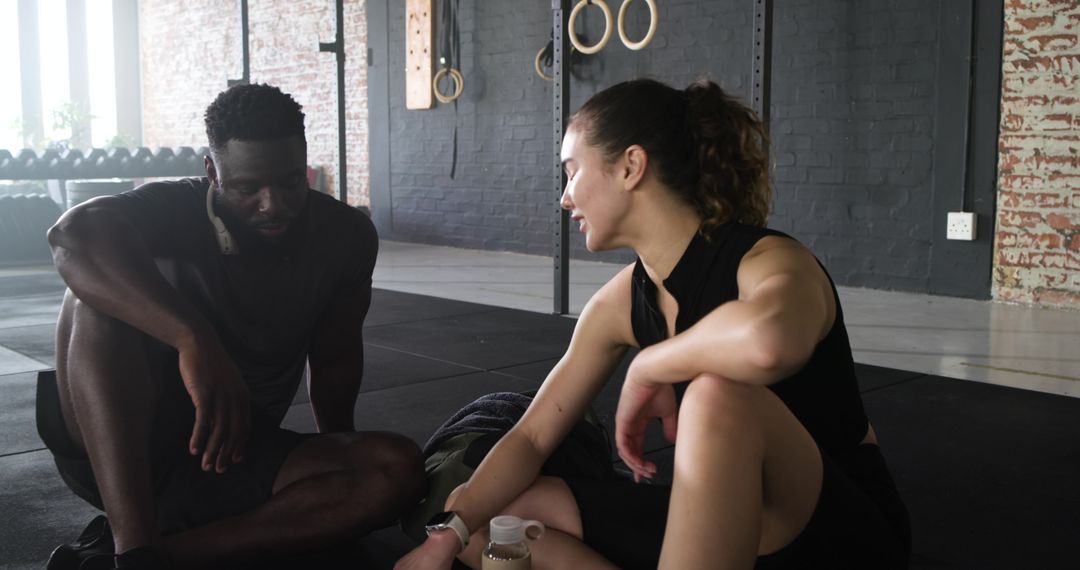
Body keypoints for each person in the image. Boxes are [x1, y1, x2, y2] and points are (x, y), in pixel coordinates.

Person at [395, 78, 910, 570]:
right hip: (733, 517)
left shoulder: (770, 261)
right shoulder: (623, 300)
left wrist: (648, 365)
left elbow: (769, 343)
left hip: (838, 534)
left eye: (572, 171)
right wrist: (450, 533)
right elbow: (531, 437)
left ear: (631, 166)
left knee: (716, 395)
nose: (564, 197)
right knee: (489, 522)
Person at [43, 83, 426, 569]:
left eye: (290, 182)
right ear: (211, 172)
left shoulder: (345, 236)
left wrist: (339, 457)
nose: (273, 204)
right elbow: (71, 237)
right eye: (247, 189)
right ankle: (133, 545)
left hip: (231, 452)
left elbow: (335, 359)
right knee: (94, 298)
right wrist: (193, 339)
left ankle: (150, 559)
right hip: (114, 455)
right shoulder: (171, 209)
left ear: (305, 161)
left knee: (396, 469)